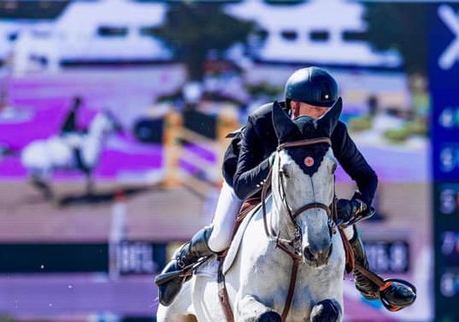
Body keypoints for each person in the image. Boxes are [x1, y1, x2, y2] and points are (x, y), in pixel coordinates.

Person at [155, 67, 386, 307]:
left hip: (302, 193)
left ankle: (365, 276)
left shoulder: (334, 130)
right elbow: (243, 185)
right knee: (220, 237)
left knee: (344, 227)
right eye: (316, 110)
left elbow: (367, 176)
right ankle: (185, 257)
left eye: (326, 112)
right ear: (294, 107)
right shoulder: (263, 121)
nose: (323, 118)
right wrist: (275, 161)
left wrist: (358, 205)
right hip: (247, 183)